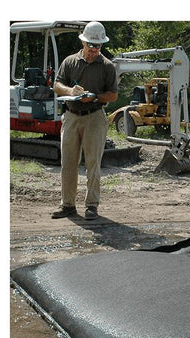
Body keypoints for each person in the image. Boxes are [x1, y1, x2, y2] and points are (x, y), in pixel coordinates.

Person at [52, 21, 118, 220]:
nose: (94, 50)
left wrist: (96, 97)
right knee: (68, 163)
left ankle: (91, 206)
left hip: (94, 117)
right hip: (72, 116)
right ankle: (68, 205)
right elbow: (57, 84)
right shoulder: (70, 62)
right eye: (91, 45)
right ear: (83, 42)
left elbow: (113, 95)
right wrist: (71, 91)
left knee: (93, 163)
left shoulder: (107, 66)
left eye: (98, 46)